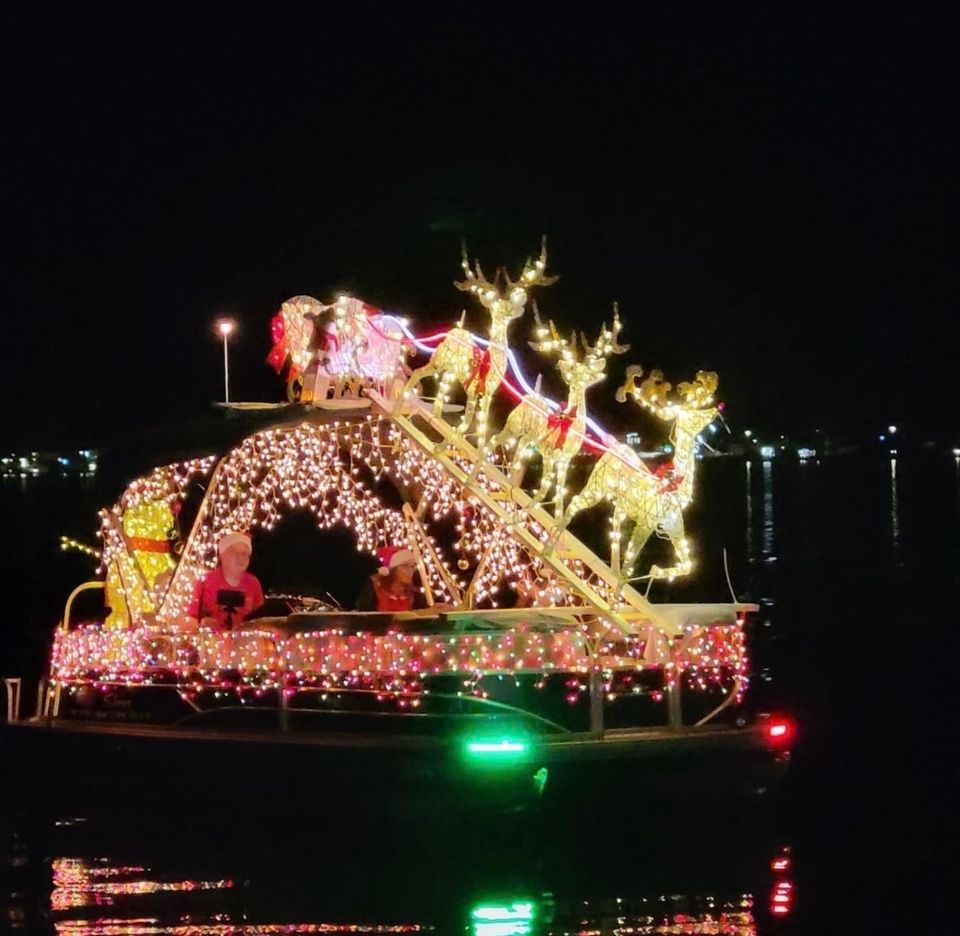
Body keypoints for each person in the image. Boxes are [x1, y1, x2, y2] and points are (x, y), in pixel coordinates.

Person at [187, 532, 264, 631]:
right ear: (222, 556)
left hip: (243, 641)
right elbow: (191, 617)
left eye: (245, 554)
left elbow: (260, 618)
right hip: (211, 641)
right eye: (235, 553)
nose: (241, 558)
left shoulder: (253, 583)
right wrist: (203, 622)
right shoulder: (206, 581)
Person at [355, 546, 419, 612]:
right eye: (404, 566)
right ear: (393, 568)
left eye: (412, 566)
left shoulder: (412, 593)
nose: (410, 571)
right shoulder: (375, 586)